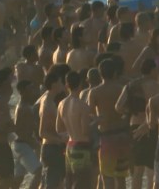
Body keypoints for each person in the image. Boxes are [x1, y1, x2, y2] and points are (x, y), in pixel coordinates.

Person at [115, 58, 159, 189]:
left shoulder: (130, 85)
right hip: (150, 128)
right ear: (152, 70)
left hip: (133, 126)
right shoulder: (154, 85)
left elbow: (118, 106)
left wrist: (130, 112)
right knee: (151, 170)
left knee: (137, 171)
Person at [88, 59, 130, 189]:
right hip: (122, 135)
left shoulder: (94, 92)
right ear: (115, 73)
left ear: (100, 74)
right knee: (121, 177)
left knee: (107, 177)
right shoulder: (122, 89)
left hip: (106, 137)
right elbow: (127, 111)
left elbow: (91, 117)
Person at [56, 71, 92, 189]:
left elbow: (59, 128)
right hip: (81, 146)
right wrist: (95, 122)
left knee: (70, 182)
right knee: (82, 183)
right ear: (81, 84)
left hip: (69, 146)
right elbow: (85, 131)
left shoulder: (61, 104)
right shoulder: (83, 106)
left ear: (67, 85)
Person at [38, 72, 67, 189]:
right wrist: (60, 139)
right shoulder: (48, 104)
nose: (62, 85)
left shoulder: (47, 97)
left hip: (53, 148)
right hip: (51, 149)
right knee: (52, 185)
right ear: (54, 84)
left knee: (58, 184)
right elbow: (42, 132)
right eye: (60, 82)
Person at [13, 80, 41, 189]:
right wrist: (36, 144)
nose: (33, 91)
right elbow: (21, 132)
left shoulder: (23, 106)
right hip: (23, 144)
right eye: (30, 89)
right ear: (23, 91)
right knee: (39, 172)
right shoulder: (24, 108)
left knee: (18, 178)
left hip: (20, 145)